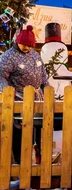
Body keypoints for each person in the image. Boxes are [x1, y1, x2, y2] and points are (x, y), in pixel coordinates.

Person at [0, 26, 49, 163]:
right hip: (18, 98)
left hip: (37, 98)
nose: (27, 48)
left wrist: (48, 89)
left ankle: (38, 158)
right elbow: (1, 76)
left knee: (38, 128)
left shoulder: (35, 55)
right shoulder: (8, 57)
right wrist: (8, 92)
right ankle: (19, 161)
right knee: (19, 130)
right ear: (18, 42)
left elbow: (43, 76)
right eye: (24, 45)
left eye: (30, 45)